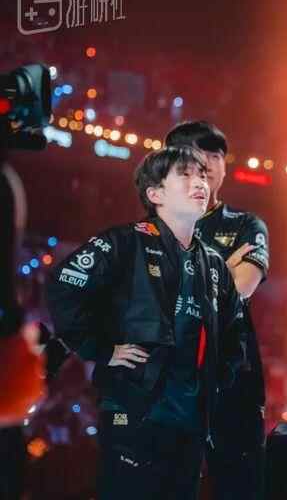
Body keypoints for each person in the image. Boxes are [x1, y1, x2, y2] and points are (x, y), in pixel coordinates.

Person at [46, 146, 248, 500]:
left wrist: (218, 380)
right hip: (134, 416)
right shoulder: (124, 242)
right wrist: (101, 349)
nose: (200, 182)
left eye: (202, 175)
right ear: (155, 194)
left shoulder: (214, 264)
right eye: (185, 174)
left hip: (191, 425)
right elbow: (64, 285)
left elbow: (235, 332)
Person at [165, 121, 269, 499]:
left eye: (215, 155)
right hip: (168, 378)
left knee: (239, 485)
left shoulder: (246, 225)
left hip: (233, 376)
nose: (208, 163)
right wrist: (223, 269)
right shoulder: (150, 230)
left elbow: (242, 288)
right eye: (197, 153)